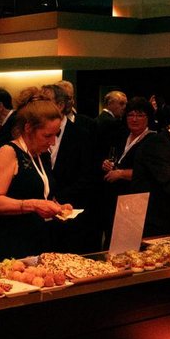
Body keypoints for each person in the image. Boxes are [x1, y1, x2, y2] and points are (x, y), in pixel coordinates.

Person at [0, 88, 69, 261]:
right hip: (14, 242)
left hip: (41, 238)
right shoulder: (8, 152)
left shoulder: (41, 155)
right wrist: (34, 205)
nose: (52, 142)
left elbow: (40, 194)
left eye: (56, 135)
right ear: (28, 128)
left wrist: (57, 207)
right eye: (47, 135)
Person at [43, 83, 101, 253]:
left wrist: (59, 199)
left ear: (60, 105)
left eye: (46, 101)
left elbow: (89, 176)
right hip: (42, 218)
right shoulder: (33, 135)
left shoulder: (83, 134)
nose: (40, 106)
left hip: (72, 215)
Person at [100, 97, 154, 242]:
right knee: (110, 241)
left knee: (126, 244)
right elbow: (113, 158)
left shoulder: (153, 140)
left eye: (140, 115)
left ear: (148, 118)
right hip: (113, 199)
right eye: (130, 115)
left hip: (135, 202)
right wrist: (106, 164)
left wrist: (121, 174)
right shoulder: (121, 136)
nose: (134, 119)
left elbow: (150, 173)